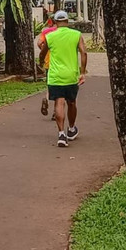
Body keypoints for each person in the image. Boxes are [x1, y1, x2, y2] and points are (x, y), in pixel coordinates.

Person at [38, 10, 87, 147]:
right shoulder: (76, 35)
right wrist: (82, 72)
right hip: (71, 75)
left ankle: (61, 135)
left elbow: (42, 52)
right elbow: (84, 52)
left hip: (55, 75)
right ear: (67, 21)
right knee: (71, 102)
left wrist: (41, 63)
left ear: (55, 21)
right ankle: (71, 129)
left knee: (59, 103)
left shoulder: (51, 36)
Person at [38, 15, 58, 117]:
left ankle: (46, 99)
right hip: (60, 63)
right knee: (59, 89)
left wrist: (44, 50)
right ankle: (55, 112)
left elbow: (39, 43)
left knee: (50, 85)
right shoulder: (62, 32)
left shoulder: (46, 32)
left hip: (48, 62)